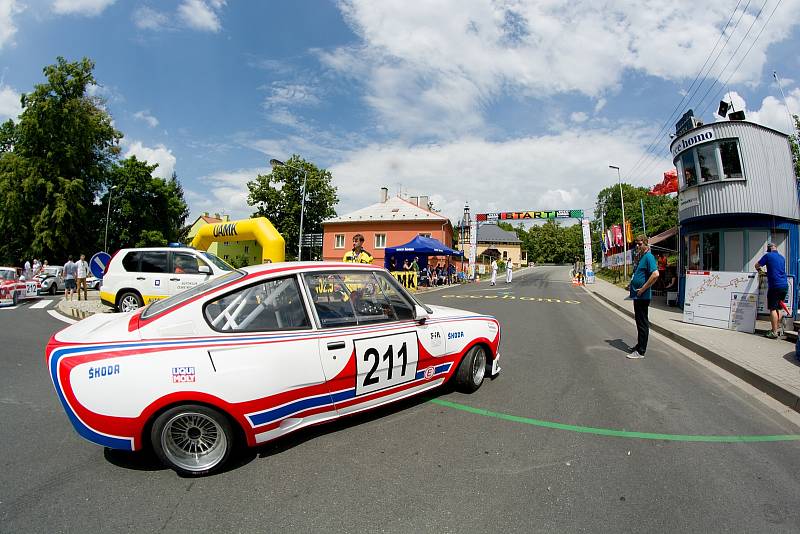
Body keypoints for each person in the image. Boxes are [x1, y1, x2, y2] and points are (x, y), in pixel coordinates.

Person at [627, 235, 659, 359]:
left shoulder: (649, 257)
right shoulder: (642, 257)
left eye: (640, 244)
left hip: (643, 296)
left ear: (646, 244)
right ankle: (639, 345)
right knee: (639, 321)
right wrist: (632, 283)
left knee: (642, 323)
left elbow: (655, 274)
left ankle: (641, 351)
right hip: (638, 295)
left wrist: (643, 288)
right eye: (637, 244)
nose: (637, 246)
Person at [756, 243, 789, 339]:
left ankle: (774, 332)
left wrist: (760, 271)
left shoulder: (768, 256)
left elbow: (757, 265)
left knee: (772, 309)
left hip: (775, 286)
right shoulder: (782, 258)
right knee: (778, 308)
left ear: (769, 249)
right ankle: (776, 328)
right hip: (784, 285)